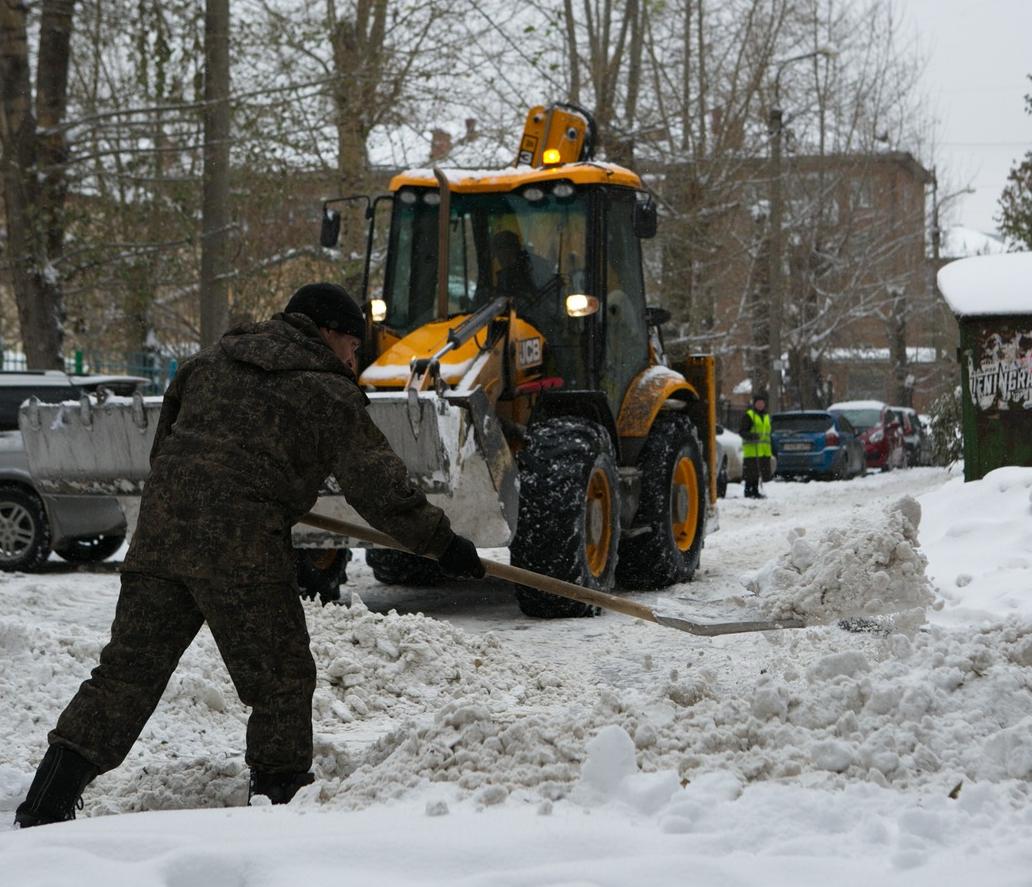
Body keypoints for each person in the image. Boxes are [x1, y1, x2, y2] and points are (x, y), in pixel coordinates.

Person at [14, 282, 485, 827]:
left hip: (161, 536)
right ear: (330, 333)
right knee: (280, 677)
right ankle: (276, 808)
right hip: (240, 550)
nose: (355, 358)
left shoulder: (208, 363)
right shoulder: (326, 391)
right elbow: (379, 488)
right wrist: (443, 545)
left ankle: (44, 803)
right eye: (354, 345)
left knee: (125, 675)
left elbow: (166, 450)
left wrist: (239, 487)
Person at [739, 392, 773, 499]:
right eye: (758, 403)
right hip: (751, 450)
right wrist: (751, 436)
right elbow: (742, 431)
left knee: (757, 473)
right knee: (751, 474)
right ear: (754, 404)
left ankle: (755, 491)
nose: (760, 405)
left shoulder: (766, 416)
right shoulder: (749, 415)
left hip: (763, 450)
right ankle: (748, 492)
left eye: (762, 403)